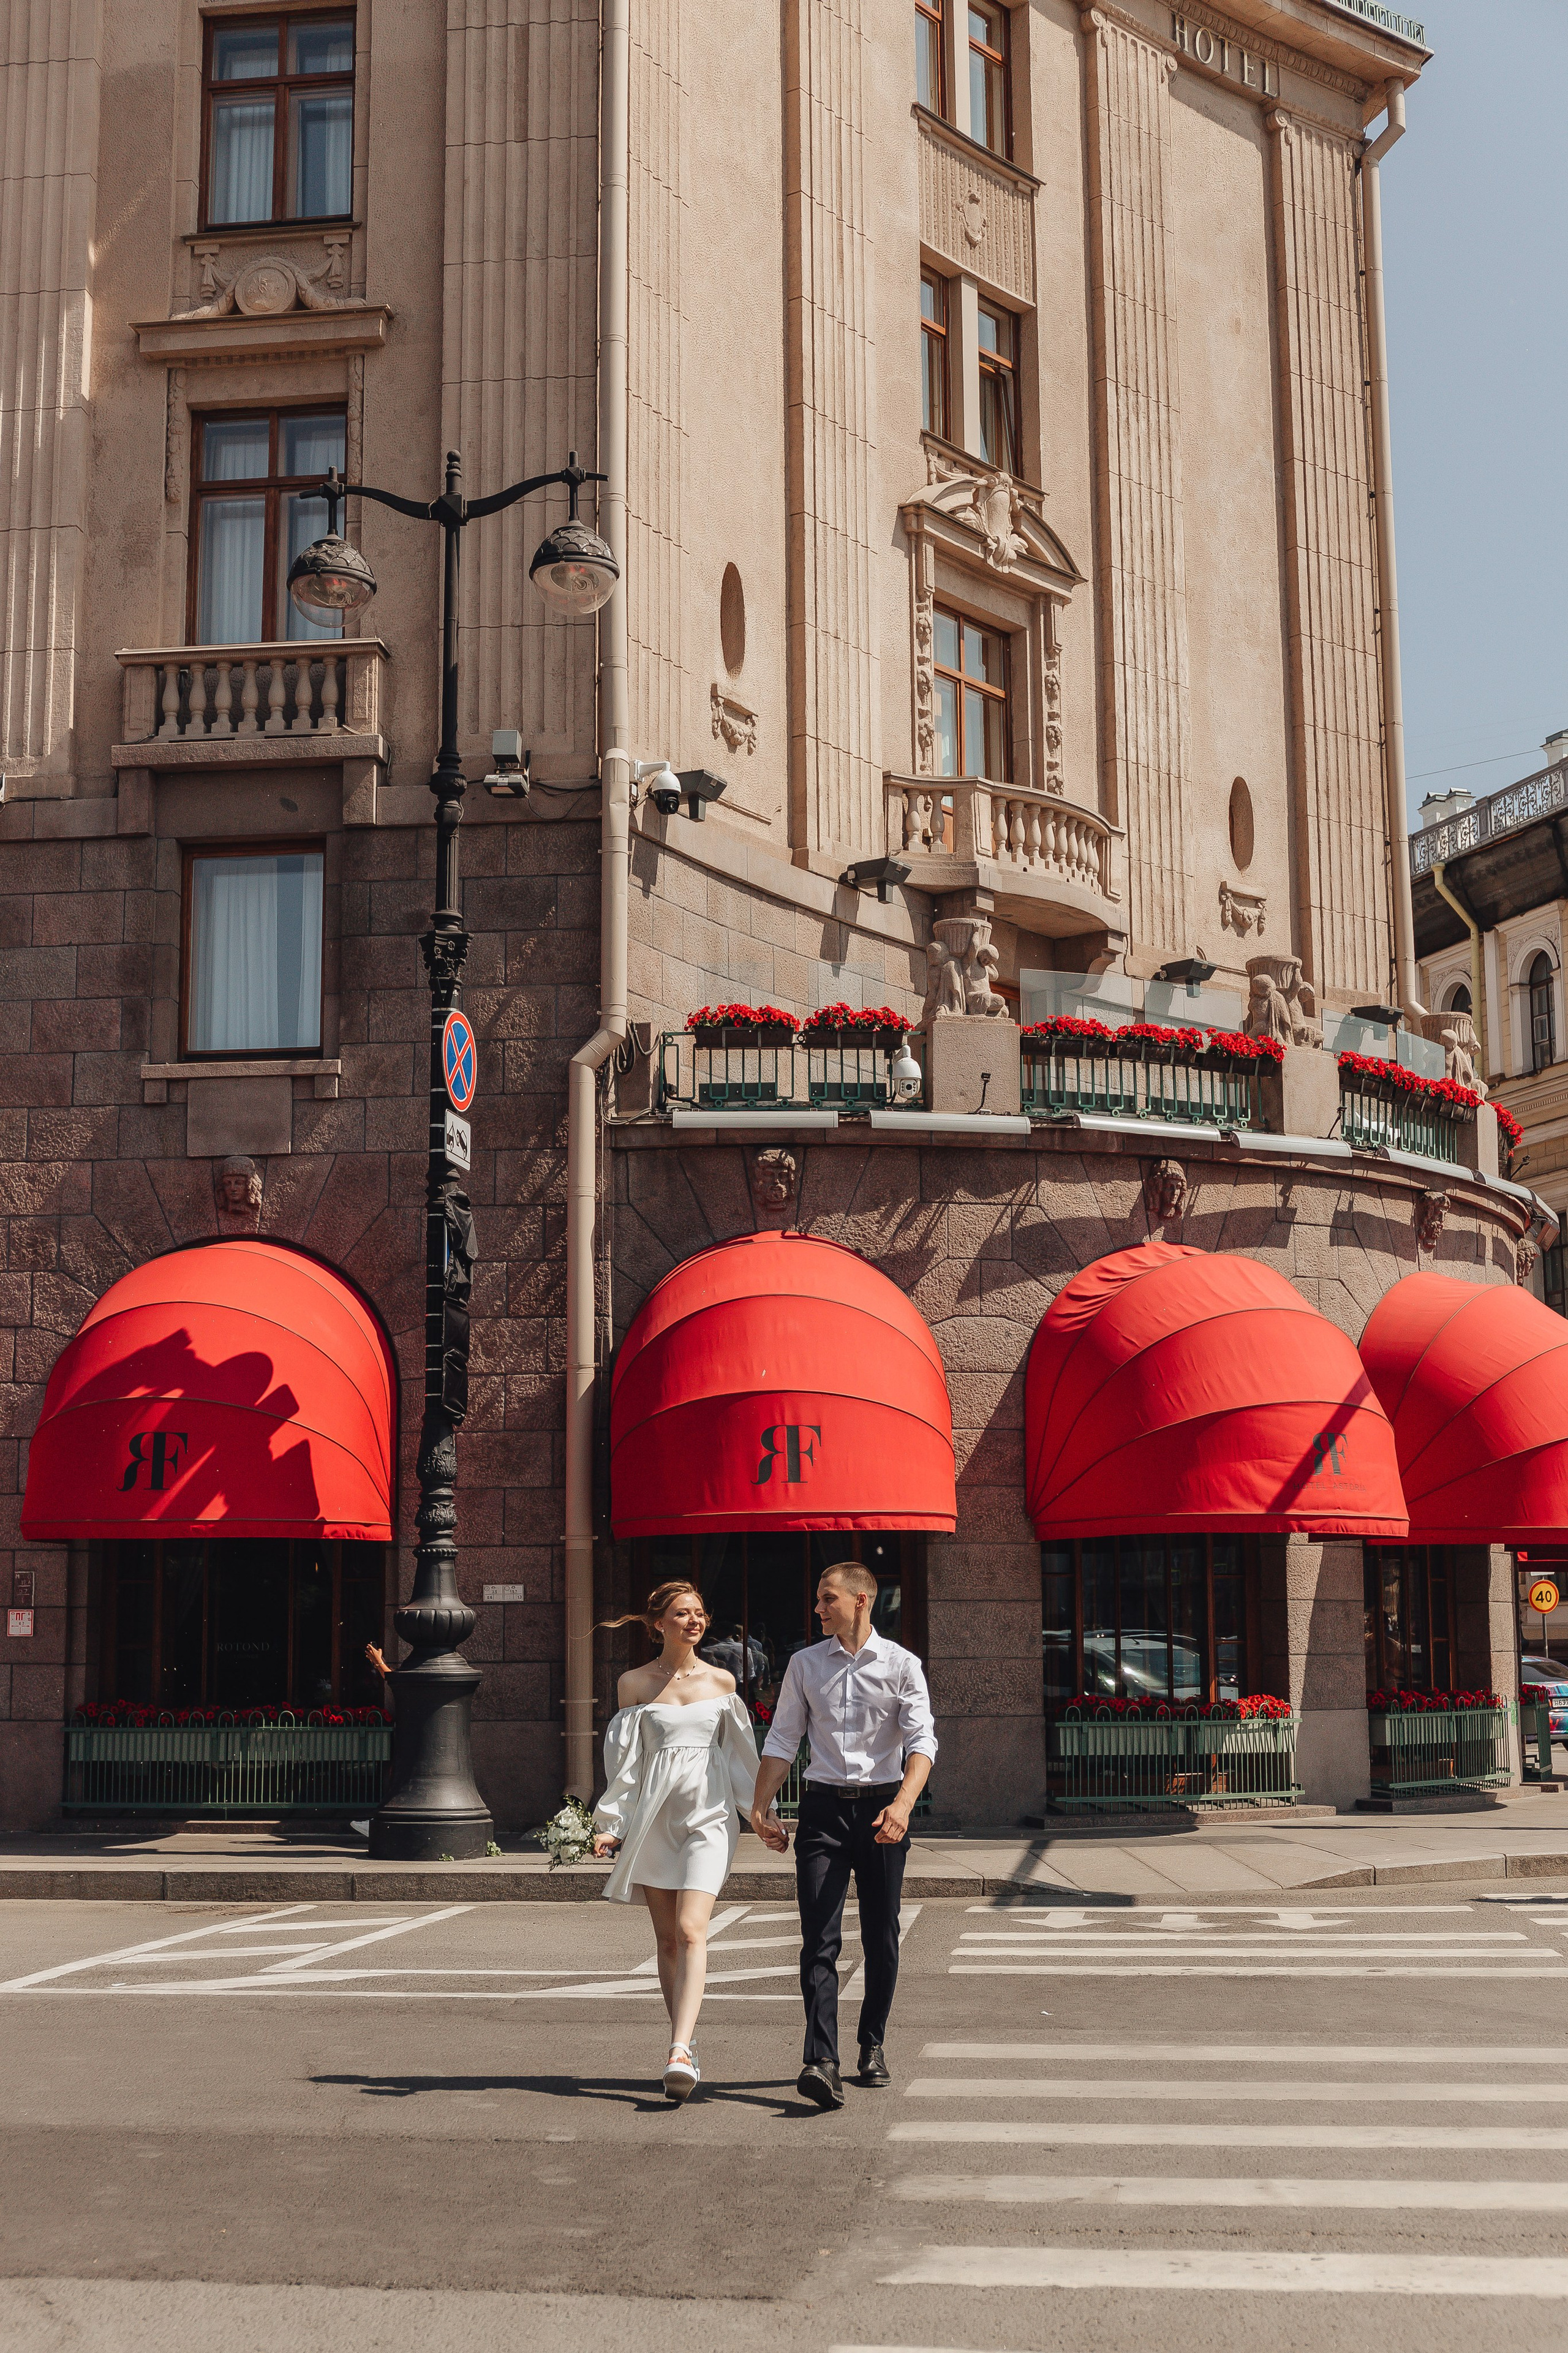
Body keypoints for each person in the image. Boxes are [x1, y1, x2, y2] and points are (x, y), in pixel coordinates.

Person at [749, 1558, 936, 2110]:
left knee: (882, 1935)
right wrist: (761, 1806)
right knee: (819, 1940)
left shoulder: (902, 1665)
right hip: (824, 1810)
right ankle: (821, 2060)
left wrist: (903, 1804)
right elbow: (783, 1738)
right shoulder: (806, 1665)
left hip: (883, 1810)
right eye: (818, 1598)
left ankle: (871, 2043)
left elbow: (923, 1741)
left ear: (861, 1600)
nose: (817, 1607)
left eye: (827, 1598)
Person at [591, 1580, 788, 2102]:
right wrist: (611, 1823)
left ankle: (678, 2050)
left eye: (700, 1613)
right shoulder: (633, 1683)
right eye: (683, 1614)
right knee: (667, 1940)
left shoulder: (723, 1680)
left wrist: (760, 1814)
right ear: (659, 1623)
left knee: (690, 1927)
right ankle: (687, 2039)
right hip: (655, 1820)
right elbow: (626, 1766)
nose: (695, 1622)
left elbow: (742, 1758)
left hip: (709, 1817)